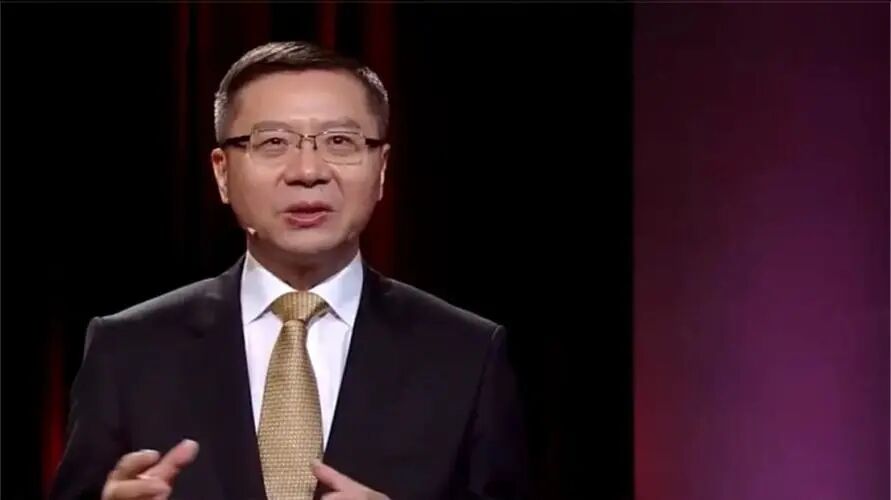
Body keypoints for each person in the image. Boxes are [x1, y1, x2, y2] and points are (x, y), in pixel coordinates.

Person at [49, 41, 529, 500]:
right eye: (273, 142)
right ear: (222, 172)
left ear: (381, 169)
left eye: (339, 141)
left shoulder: (466, 354)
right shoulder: (127, 349)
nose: (307, 171)